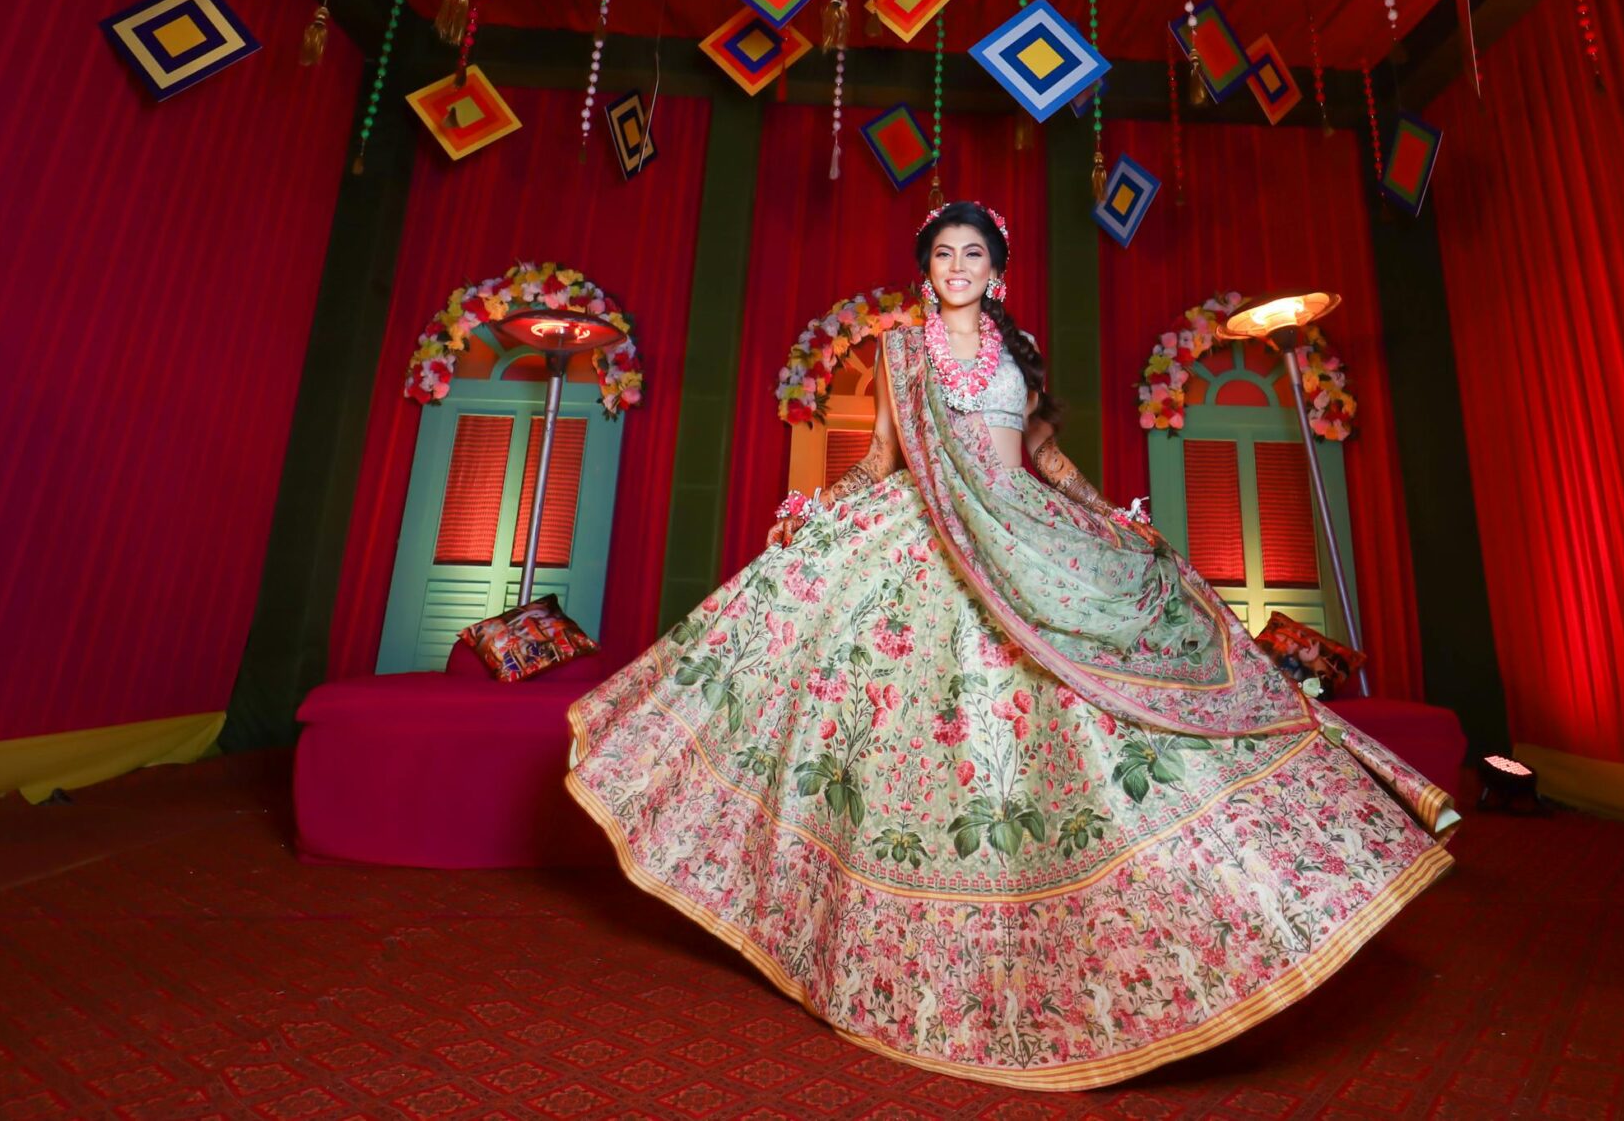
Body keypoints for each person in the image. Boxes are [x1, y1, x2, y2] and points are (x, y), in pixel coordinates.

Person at [567, 201, 1457, 1090]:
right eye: (945, 253)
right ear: (928, 267)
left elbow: (1043, 456)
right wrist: (817, 513)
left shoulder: (1016, 350)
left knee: (1078, 700)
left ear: (997, 268)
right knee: (909, 724)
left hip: (1021, 531)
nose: (960, 266)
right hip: (921, 538)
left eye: (975, 253)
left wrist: (1108, 515)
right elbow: (882, 457)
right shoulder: (901, 349)